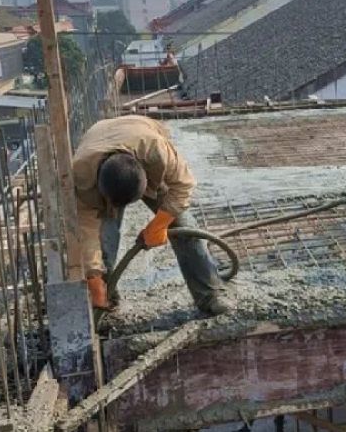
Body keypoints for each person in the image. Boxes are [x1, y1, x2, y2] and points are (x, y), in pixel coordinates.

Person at [72, 115, 229, 314]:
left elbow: (183, 186)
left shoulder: (157, 151)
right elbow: (86, 230)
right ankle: (105, 302)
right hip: (100, 144)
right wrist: (93, 274)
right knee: (103, 239)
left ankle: (210, 295)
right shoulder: (81, 176)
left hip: (139, 133)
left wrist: (160, 223)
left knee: (184, 227)